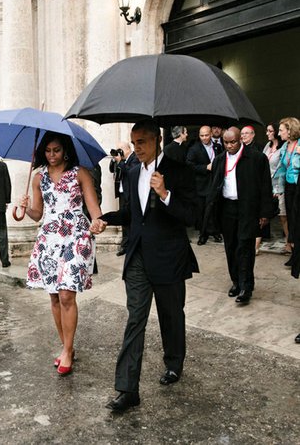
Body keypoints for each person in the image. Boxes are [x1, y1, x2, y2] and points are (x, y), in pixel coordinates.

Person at [96, 119, 198, 413]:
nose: (136, 147)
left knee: (171, 315)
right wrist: (106, 218)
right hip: (139, 257)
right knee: (135, 320)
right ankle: (128, 389)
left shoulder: (179, 171)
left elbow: (191, 216)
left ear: (158, 140)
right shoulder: (130, 172)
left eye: (142, 142)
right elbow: (131, 213)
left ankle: (174, 363)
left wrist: (166, 194)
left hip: (169, 258)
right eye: (134, 141)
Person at [19, 132, 103, 376]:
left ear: (65, 150)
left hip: (76, 234)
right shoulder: (38, 178)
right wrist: (25, 209)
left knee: (67, 294)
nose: (52, 155)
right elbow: (38, 213)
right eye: (48, 151)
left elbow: (93, 207)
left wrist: (98, 222)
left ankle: (67, 350)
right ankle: (67, 346)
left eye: (56, 150)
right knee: (54, 296)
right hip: (49, 237)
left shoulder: (80, 173)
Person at [206, 127, 274, 304]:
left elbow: (266, 186)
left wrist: (265, 212)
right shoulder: (220, 160)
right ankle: (236, 281)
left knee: (245, 246)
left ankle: (246, 287)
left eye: (233, 142)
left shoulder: (256, 158)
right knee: (231, 246)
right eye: (226, 142)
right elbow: (215, 185)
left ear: (241, 140)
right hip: (227, 208)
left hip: (247, 208)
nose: (229, 146)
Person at [187, 125, 223, 245]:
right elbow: (189, 165)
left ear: (211, 134)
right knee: (203, 211)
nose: (204, 138)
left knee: (214, 209)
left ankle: (214, 231)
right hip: (201, 185)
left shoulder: (218, 147)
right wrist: (205, 167)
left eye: (206, 135)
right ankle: (204, 235)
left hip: (215, 183)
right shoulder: (194, 149)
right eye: (202, 135)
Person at [256, 123, 286, 255]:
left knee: (283, 217)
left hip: (278, 186)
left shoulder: (283, 148)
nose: (267, 133)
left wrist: (277, 189)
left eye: (270, 131)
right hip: (266, 185)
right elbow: (261, 162)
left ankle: (290, 243)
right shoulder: (267, 146)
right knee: (264, 214)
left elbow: (281, 168)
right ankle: (255, 245)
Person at [274, 117, 300, 267]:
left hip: (299, 188)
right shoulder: (285, 146)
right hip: (289, 188)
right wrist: (276, 188)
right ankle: (295, 256)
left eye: (281, 130)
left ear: (290, 131)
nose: (279, 133)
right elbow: (280, 169)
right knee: (291, 221)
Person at [109, 142, 138, 255]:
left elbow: (130, 172)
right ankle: (125, 246)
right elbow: (112, 170)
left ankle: (133, 245)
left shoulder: (134, 158)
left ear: (127, 149)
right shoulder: (121, 160)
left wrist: (121, 161)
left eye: (120, 149)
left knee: (132, 220)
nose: (119, 152)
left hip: (131, 194)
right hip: (122, 194)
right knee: (124, 220)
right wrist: (114, 160)